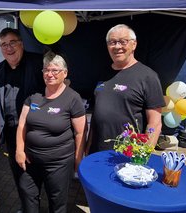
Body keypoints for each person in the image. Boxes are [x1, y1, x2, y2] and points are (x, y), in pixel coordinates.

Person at [15, 51, 86, 213]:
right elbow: (22, 125)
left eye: (55, 70)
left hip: (58, 163)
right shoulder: (34, 96)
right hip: (30, 159)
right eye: (46, 70)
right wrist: (19, 150)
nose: (50, 74)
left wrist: (78, 159)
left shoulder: (73, 98)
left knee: (57, 201)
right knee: (28, 194)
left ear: (65, 73)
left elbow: (80, 133)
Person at [86, 24, 165, 154]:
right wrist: (88, 146)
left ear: (134, 45)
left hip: (128, 154)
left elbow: (155, 123)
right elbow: (96, 116)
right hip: (97, 152)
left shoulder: (148, 76)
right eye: (112, 42)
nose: (117, 46)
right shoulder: (103, 74)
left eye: (123, 41)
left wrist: (143, 154)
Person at [0, 27, 45, 210]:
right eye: (4, 44)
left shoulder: (39, 63)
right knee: (20, 173)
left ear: (21, 43)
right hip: (12, 133)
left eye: (12, 42)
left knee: (40, 173)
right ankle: (28, 207)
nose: (8, 48)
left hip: (37, 131)